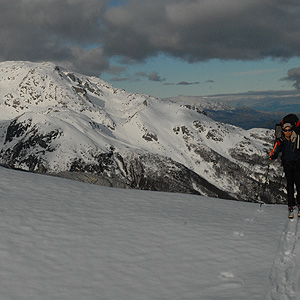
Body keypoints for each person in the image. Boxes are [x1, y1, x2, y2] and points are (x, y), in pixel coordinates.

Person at [269, 119, 300, 217]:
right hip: (287, 164)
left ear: (292, 130)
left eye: (289, 130)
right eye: (286, 130)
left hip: (298, 163)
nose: (288, 132)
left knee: (299, 184)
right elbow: (276, 153)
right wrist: (272, 155)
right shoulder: (280, 140)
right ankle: (291, 204)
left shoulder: (297, 138)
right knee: (290, 185)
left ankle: (299, 203)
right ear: (283, 131)